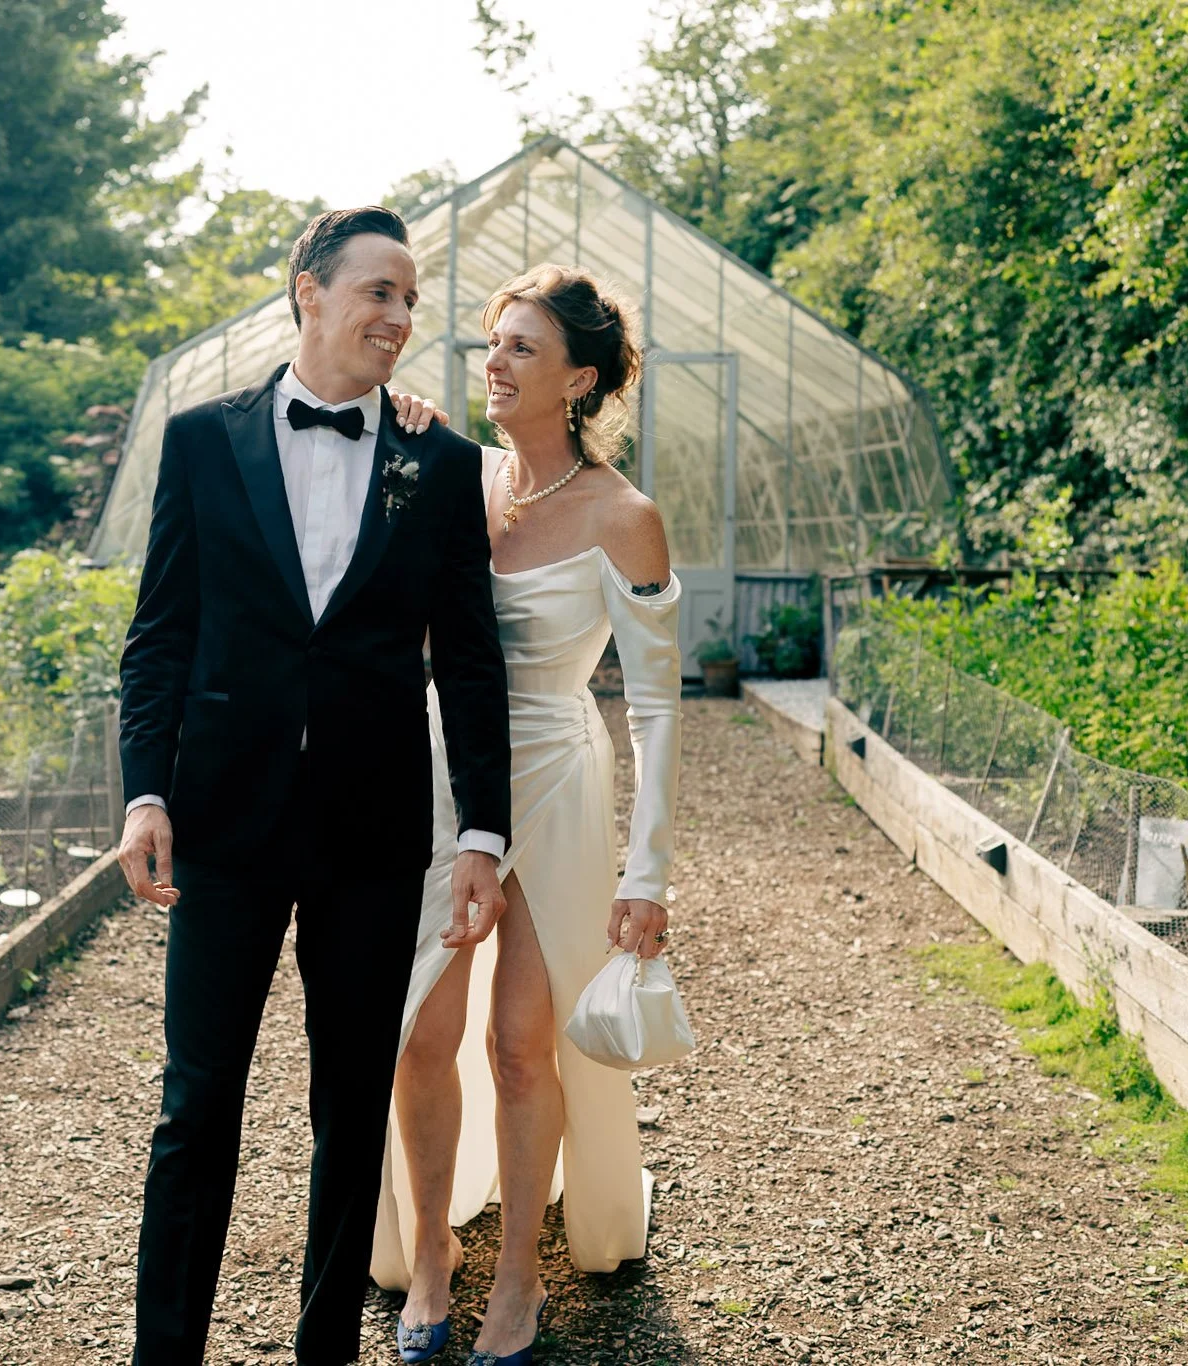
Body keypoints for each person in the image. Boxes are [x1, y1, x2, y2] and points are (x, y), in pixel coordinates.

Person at [115, 205, 514, 1366]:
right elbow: (159, 637)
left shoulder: (436, 463)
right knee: (196, 1110)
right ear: (308, 290)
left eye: (408, 297)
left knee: (348, 1110)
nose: (397, 316)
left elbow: (469, 658)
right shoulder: (200, 441)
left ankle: (323, 1352)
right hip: (223, 825)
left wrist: (481, 829)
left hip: (372, 836)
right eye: (376, 291)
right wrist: (146, 792)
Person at [374, 265, 681, 1366]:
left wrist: (646, 874)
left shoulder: (623, 517)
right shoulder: (450, 478)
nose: (490, 363)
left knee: (517, 1044)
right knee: (415, 1026)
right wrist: (394, 429)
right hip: (439, 772)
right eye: (489, 343)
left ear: (578, 379)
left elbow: (654, 705)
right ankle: (425, 1246)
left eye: (520, 349)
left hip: (555, 771)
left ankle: (515, 1274)